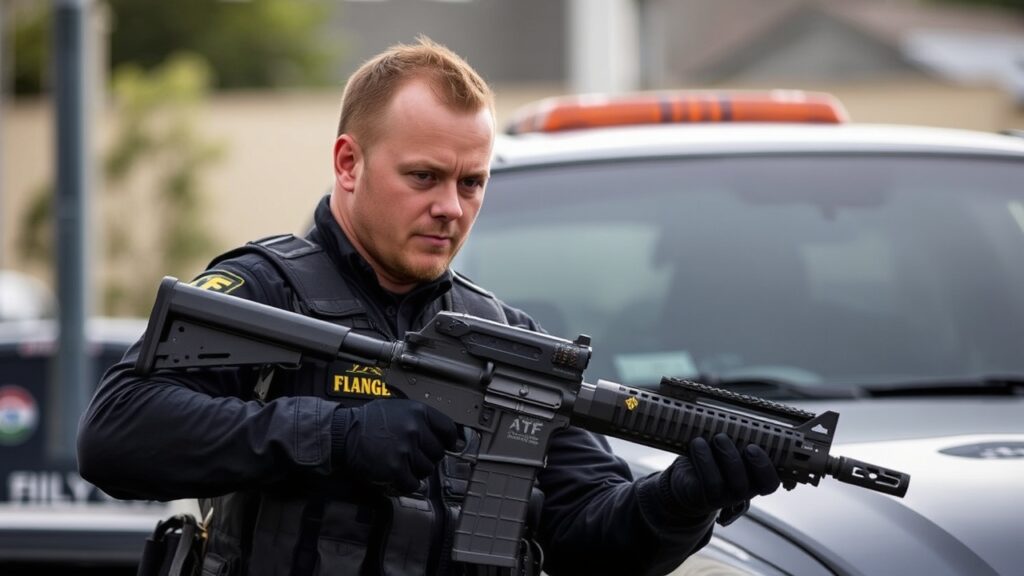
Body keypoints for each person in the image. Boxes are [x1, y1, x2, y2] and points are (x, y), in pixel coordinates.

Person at [78, 37, 780, 576]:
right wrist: (335, 437)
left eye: (472, 182)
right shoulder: (265, 290)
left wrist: (683, 500)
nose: (450, 207)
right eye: (424, 177)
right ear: (349, 163)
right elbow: (117, 434)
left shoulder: (508, 339)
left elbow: (592, 540)